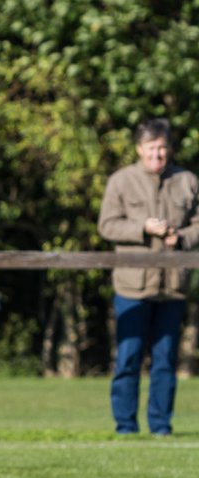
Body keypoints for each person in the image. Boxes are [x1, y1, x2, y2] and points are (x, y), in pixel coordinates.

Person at [97, 118, 199, 436]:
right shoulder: (121, 181)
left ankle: (161, 426)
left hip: (172, 286)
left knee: (165, 361)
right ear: (139, 149)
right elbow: (107, 225)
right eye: (152, 148)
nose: (158, 154)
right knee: (127, 359)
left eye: (163, 147)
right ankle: (125, 426)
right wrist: (142, 228)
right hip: (131, 285)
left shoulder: (188, 181)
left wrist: (181, 237)